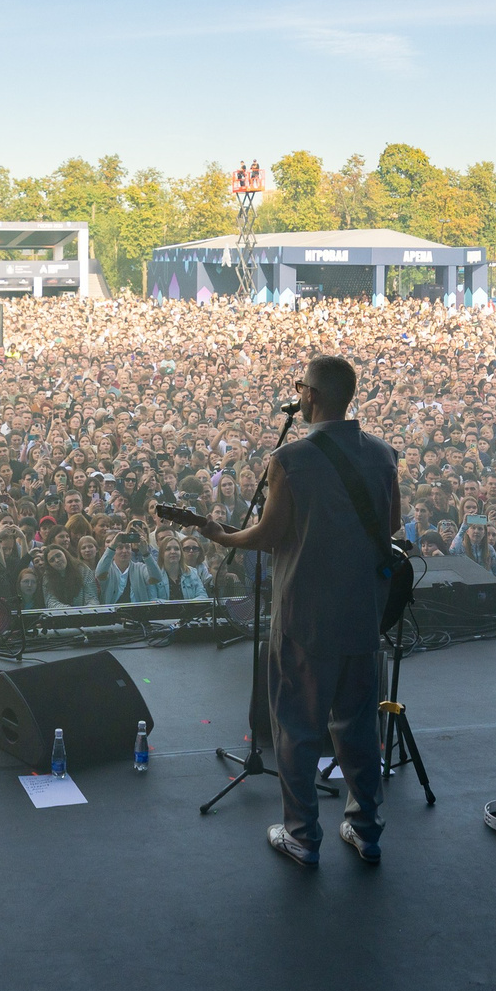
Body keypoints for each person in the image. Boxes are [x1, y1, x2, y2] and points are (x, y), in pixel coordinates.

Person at [197, 354, 398, 869]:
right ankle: (365, 828)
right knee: (357, 727)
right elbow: (391, 523)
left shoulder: (290, 459)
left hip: (306, 616)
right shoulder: (383, 455)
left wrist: (221, 534)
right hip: (363, 613)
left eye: (300, 388)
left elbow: (267, 535)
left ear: (310, 395)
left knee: (297, 726)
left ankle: (302, 836)